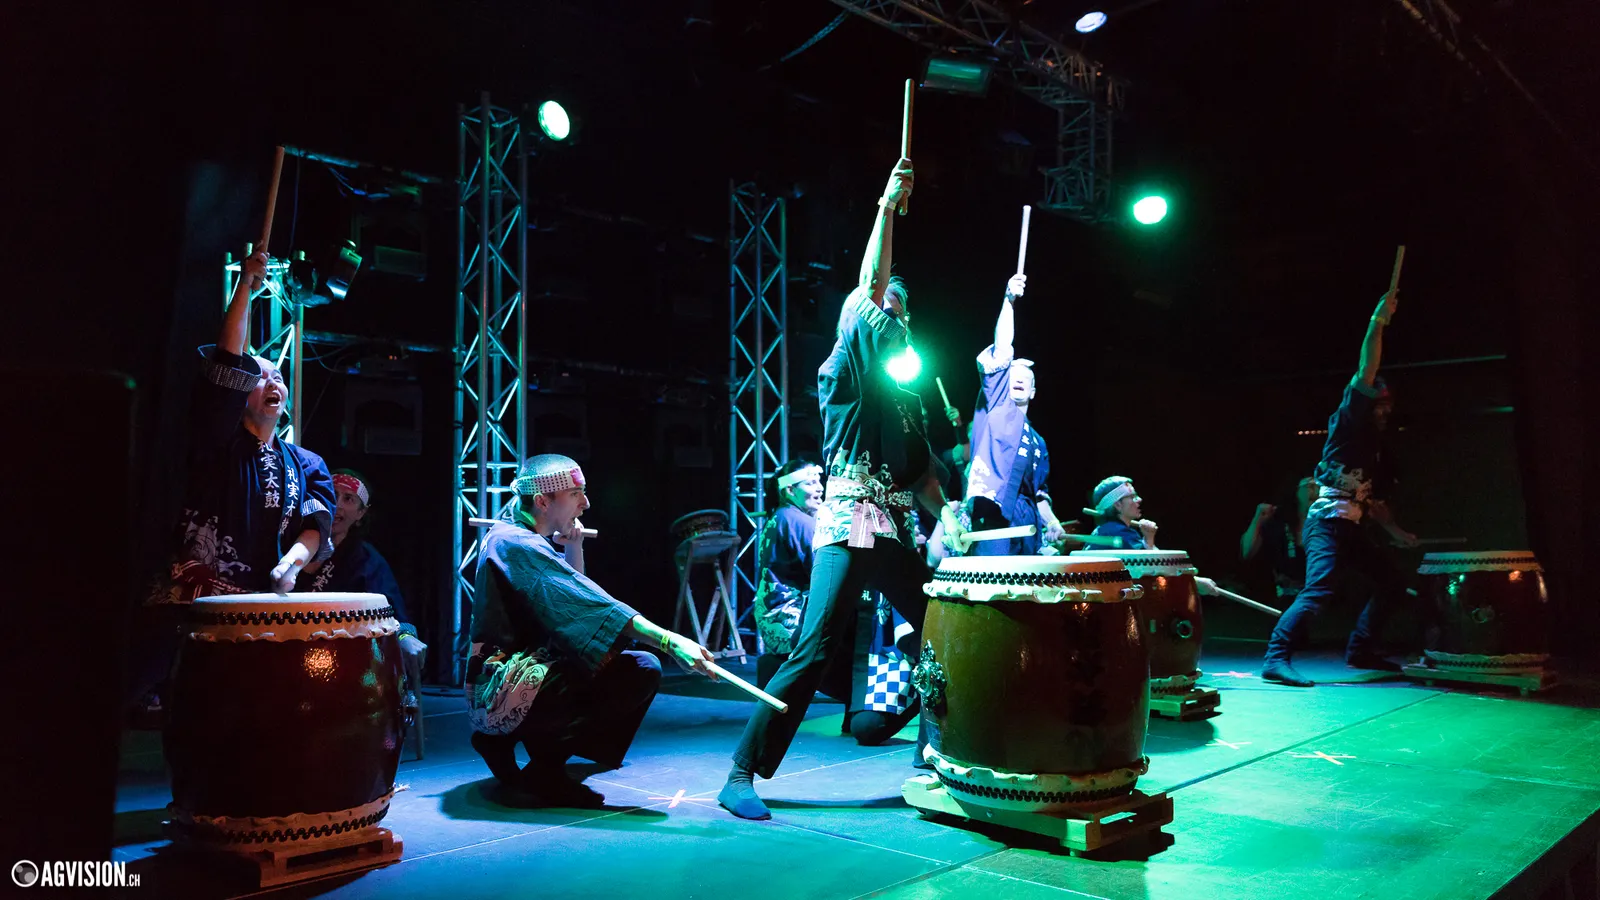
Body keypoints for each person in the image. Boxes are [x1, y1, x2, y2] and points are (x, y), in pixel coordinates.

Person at [719, 157, 967, 821]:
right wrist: (887, 208)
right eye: (886, 310)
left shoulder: (904, 396)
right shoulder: (846, 370)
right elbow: (868, 285)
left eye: (901, 315)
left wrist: (951, 516)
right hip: (852, 520)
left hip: (889, 526)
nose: (893, 319)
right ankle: (741, 771)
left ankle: (935, 752)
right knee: (815, 647)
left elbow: (920, 476)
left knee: (940, 628)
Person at [134, 251, 336, 711]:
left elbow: (316, 525)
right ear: (239, 391)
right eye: (259, 377)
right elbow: (228, 360)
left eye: (279, 377)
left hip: (260, 606)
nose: (273, 383)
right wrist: (246, 285)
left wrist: (290, 565)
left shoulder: (307, 463)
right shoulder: (218, 440)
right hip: (194, 605)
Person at [468, 454, 717, 807]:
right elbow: (591, 606)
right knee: (635, 670)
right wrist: (669, 640)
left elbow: (574, 596)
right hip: (499, 687)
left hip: (521, 673)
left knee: (626, 663)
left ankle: (512, 745)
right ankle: (544, 769)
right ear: (542, 501)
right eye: (575, 494)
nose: (585, 503)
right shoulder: (517, 543)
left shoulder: (517, 536)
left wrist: (573, 546)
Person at [1262, 289, 1419, 687]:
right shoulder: (1349, 423)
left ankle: (1360, 649)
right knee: (1319, 590)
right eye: (1379, 402)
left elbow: (1374, 503)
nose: (1385, 409)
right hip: (1328, 524)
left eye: (1388, 404)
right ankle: (1275, 658)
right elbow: (1367, 367)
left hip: (1351, 526)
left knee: (1392, 582)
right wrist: (1377, 322)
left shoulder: (1375, 449)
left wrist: (1396, 531)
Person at [964, 273, 1065, 555]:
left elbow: (1039, 494)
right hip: (994, 513)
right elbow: (1002, 348)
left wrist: (1052, 522)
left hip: (1027, 520)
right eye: (1012, 375)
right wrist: (1009, 300)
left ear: (1033, 391)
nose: (1018, 379)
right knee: (996, 579)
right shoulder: (996, 404)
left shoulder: (1038, 442)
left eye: (1025, 378)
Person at [303, 469, 428, 669]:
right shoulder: (287, 543)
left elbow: (392, 612)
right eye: (332, 494)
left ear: (360, 514)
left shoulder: (367, 561)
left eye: (348, 499)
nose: (337, 505)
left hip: (340, 660)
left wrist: (405, 636)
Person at [1240, 476, 1317, 603]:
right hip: (1287, 599)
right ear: (1296, 491)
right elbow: (1247, 552)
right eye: (1310, 486)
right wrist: (1258, 518)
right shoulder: (1279, 521)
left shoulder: (1331, 522)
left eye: (1319, 486)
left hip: (1324, 598)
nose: (1315, 491)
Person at [1084, 476, 1159, 550]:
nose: (1139, 499)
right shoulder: (1122, 533)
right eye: (1132, 497)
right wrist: (1149, 539)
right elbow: (1145, 557)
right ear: (1118, 505)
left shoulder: (1100, 531)